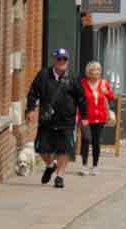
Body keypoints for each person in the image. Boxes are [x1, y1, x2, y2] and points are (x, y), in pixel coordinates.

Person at [24, 47, 83, 189]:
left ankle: (59, 176)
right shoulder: (43, 75)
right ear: (54, 60)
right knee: (42, 149)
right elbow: (32, 93)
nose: (62, 61)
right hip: (47, 120)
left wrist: (84, 117)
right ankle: (50, 165)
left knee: (64, 150)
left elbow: (81, 98)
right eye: (59, 59)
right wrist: (31, 109)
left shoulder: (73, 78)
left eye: (65, 59)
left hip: (66, 121)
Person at [78, 61, 116, 174]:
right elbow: (78, 99)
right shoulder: (82, 83)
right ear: (89, 72)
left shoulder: (104, 83)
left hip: (100, 117)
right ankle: (84, 165)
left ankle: (95, 166)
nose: (97, 72)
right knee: (86, 140)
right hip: (86, 117)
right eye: (94, 70)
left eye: (99, 70)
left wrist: (106, 92)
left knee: (96, 141)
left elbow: (112, 97)